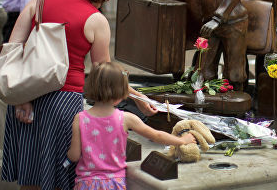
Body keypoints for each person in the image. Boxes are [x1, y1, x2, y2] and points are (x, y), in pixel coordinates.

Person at [1, 0, 157, 190]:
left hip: (25, 95)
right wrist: (139, 98)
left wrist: (21, 98)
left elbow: (13, 49)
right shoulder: (96, 20)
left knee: (31, 175)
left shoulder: (40, 0)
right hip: (63, 103)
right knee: (60, 178)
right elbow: (105, 77)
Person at [67, 61, 196, 190]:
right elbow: (157, 135)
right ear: (121, 93)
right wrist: (182, 140)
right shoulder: (125, 118)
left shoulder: (80, 118)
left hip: (86, 184)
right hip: (114, 183)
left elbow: (74, 155)